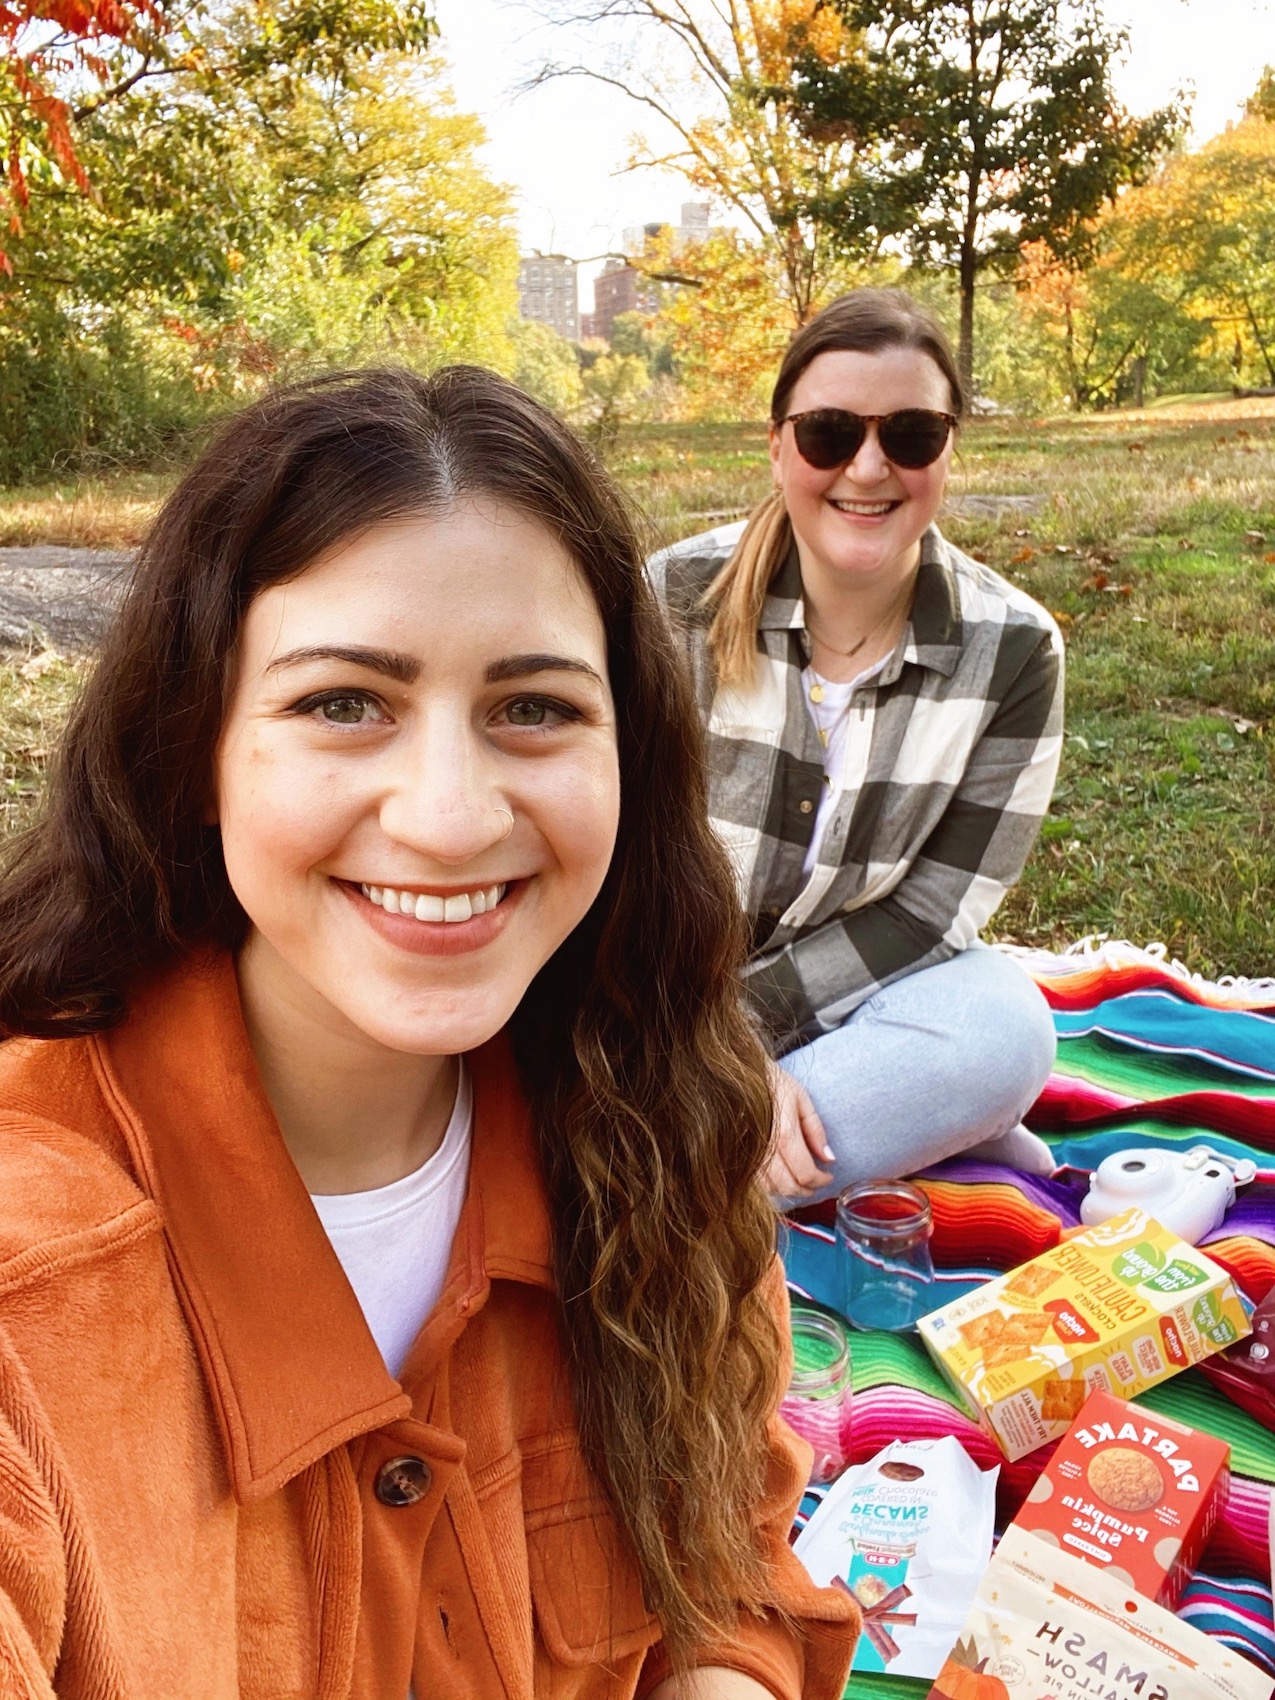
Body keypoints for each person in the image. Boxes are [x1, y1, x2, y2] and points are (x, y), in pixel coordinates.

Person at [0, 368, 858, 1699]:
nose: (449, 818)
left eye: (532, 708)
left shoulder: (662, 1118)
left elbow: (728, 1570)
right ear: (196, 751)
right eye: (344, 703)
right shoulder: (27, 1281)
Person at [649, 289, 1064, 1206]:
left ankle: (682, 1184)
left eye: (911, 435)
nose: (868, 469)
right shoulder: (669, 600)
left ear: (949, 448)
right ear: (777, 445)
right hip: (650, 997)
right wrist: (704, 1039)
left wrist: (745, 1038)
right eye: (830, 434)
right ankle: (868, 1144)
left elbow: (927, 915)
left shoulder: (1014, 648)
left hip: (839, 997)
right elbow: (607, 853)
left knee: (1004, 1027)